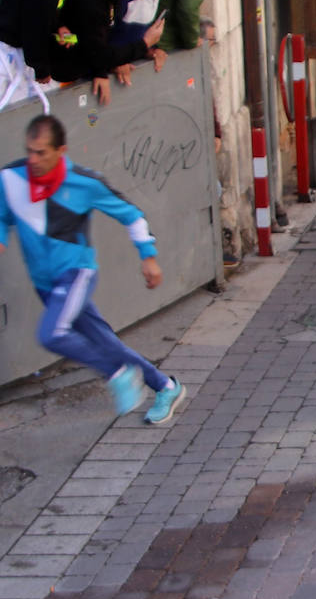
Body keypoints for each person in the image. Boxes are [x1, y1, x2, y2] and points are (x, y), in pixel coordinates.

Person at [0, 115, 187, 424]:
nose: (33, 159)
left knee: (52, 334)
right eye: (30, 151)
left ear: (61, 150)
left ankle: (117, 373)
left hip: (75, 274)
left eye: (41, 152)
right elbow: (3, 215)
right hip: (44, 283)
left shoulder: (84, 183)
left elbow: (132, 215)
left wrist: (148, 256)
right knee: (105, 343)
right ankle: (166, 386)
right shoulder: (10, 178)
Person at [51, 0, 166, 106]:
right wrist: (145, 42)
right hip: (58, 73)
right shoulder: (90, 0)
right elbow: (98, 51)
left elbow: (100, 41)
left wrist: (106, 66)